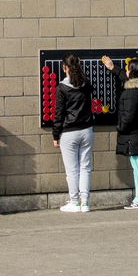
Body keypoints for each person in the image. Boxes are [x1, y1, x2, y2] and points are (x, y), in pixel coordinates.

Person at [104, 55, 138, 209]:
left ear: (132, 73)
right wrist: (113, 68)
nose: (125, 71)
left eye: (127, 69)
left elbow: (129, 117)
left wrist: (120, 128)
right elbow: (125, 78)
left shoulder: (132, 93)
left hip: (134, 137)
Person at [52, 54, 94, 212]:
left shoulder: (62, 88)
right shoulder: (86, 83)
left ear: (64, 67)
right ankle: (85, 202)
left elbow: (59, 114)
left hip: (69, 132)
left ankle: (75, 202)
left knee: (72, 170)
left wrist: (55, 135)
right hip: (87, 131)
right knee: (85, 168)